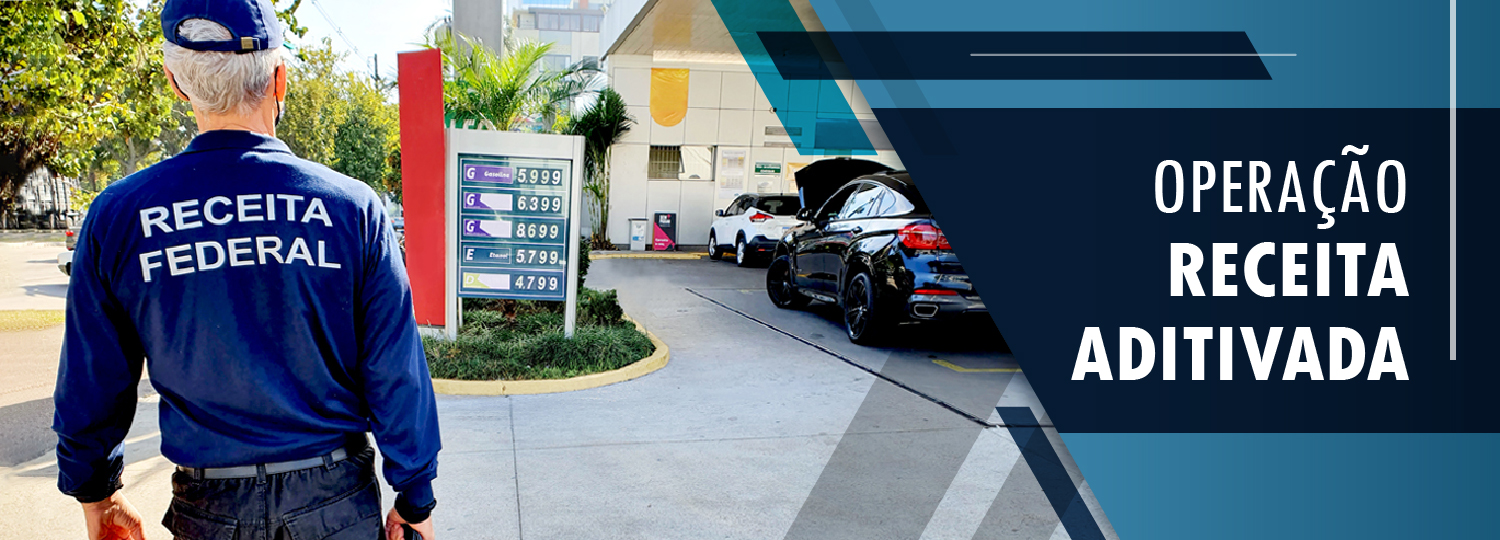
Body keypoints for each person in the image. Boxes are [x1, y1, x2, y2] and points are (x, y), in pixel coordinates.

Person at [52, 0, 440, 538]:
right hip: (334, 507)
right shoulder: (353, 209)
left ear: (175, 83)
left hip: (208, 511)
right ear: (280, 80)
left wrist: (97, 494)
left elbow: (91, 380)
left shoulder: (119, 216)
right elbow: (395, 372)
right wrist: (415, 499)